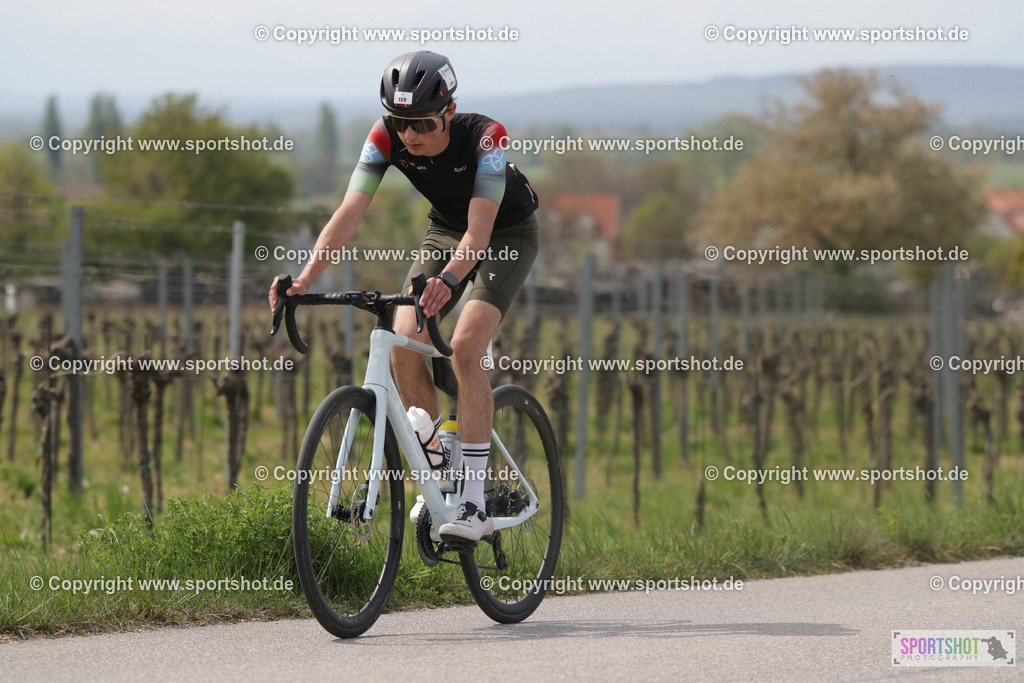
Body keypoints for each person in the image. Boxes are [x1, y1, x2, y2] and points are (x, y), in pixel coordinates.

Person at [268, 51, 539, 543]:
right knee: (401, 339)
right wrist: (305, 279)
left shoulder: (488, 138)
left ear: (449, 112)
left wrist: (452, 280)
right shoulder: (384, 135)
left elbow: (479, 234)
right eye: (401, 122)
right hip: (445, 232)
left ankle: (476, 503)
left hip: (505, 234)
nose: (411, 134)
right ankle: (439, 462)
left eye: (423, 123)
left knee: (465, 346)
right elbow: (350, 210)